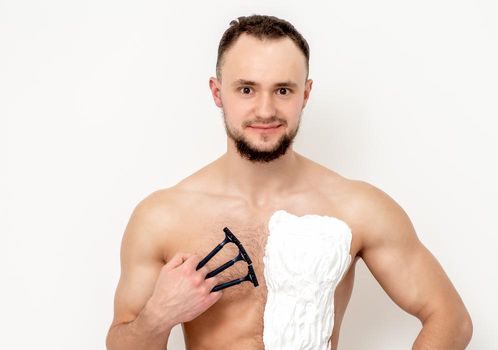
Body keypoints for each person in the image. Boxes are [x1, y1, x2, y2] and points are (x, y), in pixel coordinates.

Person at [105, 14, 472, 350]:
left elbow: (450, 319)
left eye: (283, 90)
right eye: (246, 89)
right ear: (218, 93)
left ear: (305, 94)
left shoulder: (355, 207)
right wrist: (158, 316)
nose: (265, 110)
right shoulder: (163, 217)